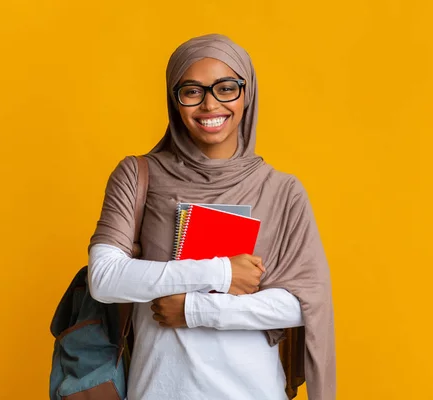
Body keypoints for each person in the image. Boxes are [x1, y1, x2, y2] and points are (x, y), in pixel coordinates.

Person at [87, 34, 335, 400]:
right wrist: (220, 273)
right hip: (160, 390)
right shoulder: (139, 175)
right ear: (174, 100)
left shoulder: (281, 190)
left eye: (225, 88)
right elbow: (105, 278)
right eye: (192, 91)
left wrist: (196, 309)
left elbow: (304, 303)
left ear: (246, 93)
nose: (210, 105)